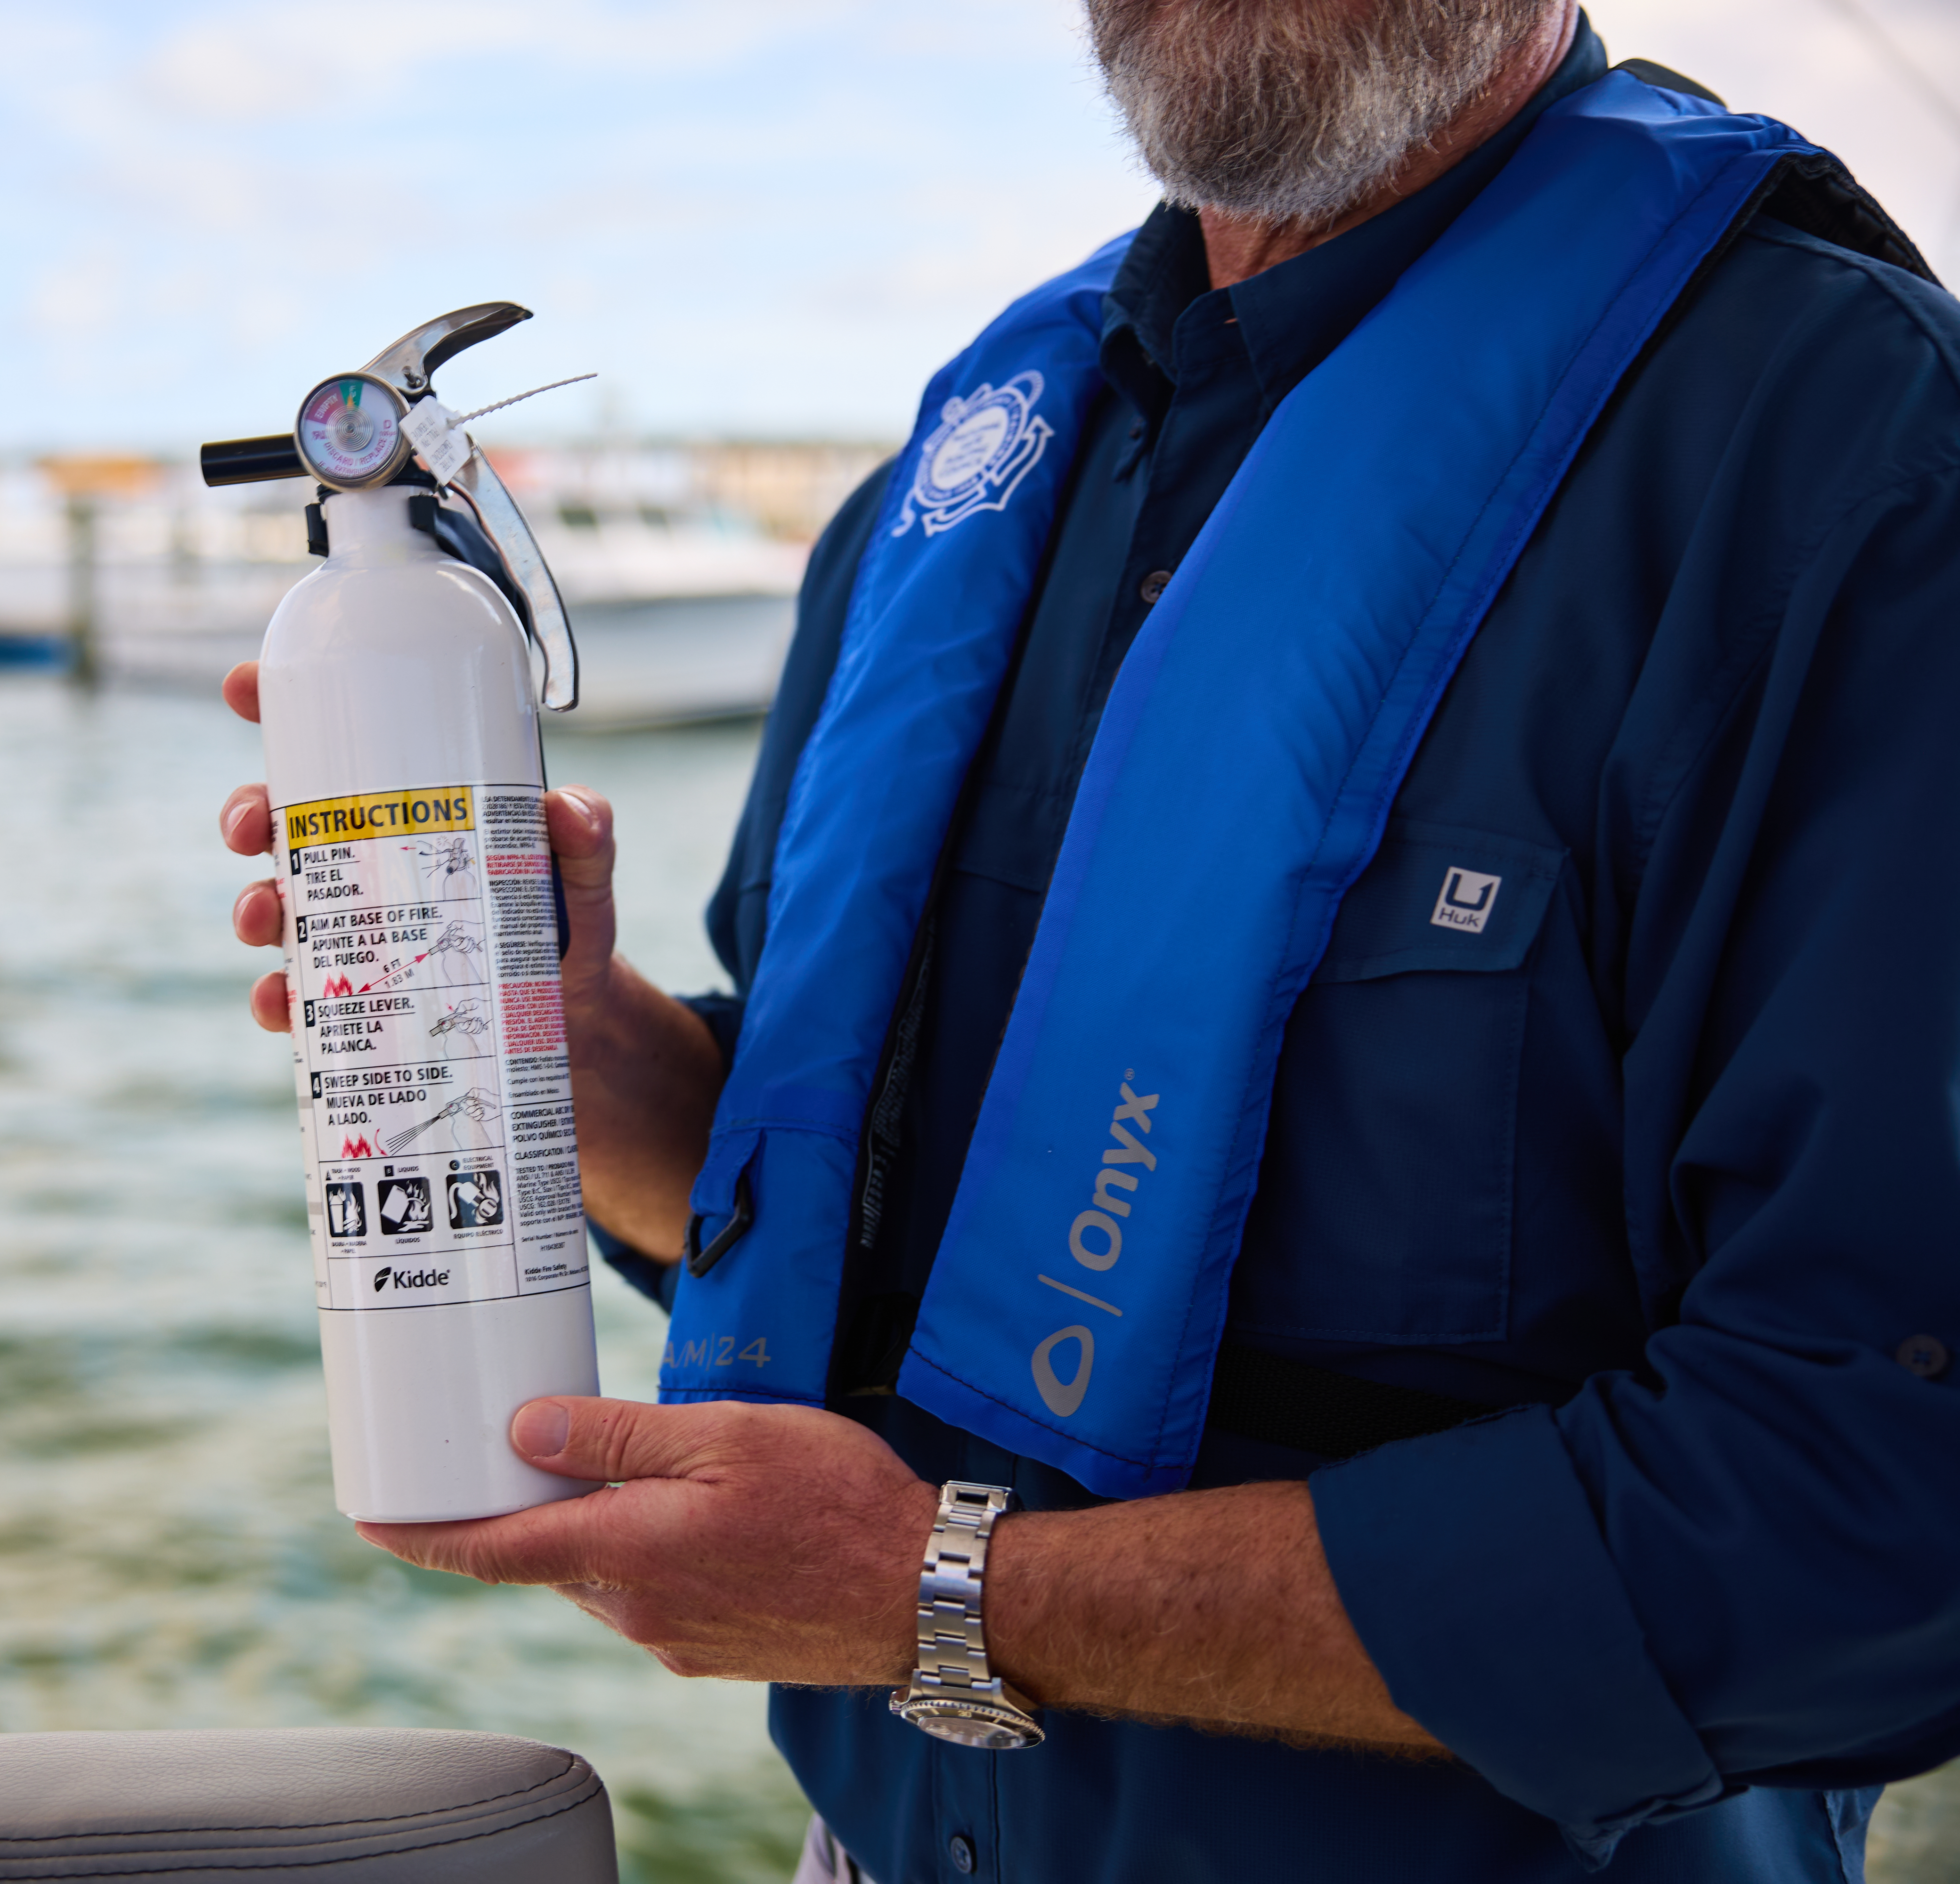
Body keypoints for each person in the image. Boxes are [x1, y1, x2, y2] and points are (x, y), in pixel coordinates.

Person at [220, 3, 1960, 1876]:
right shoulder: (967, 472)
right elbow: (838, 1212)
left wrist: (947, 1593)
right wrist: (589, 1055)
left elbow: (1882, 1507)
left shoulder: (1856, 463)